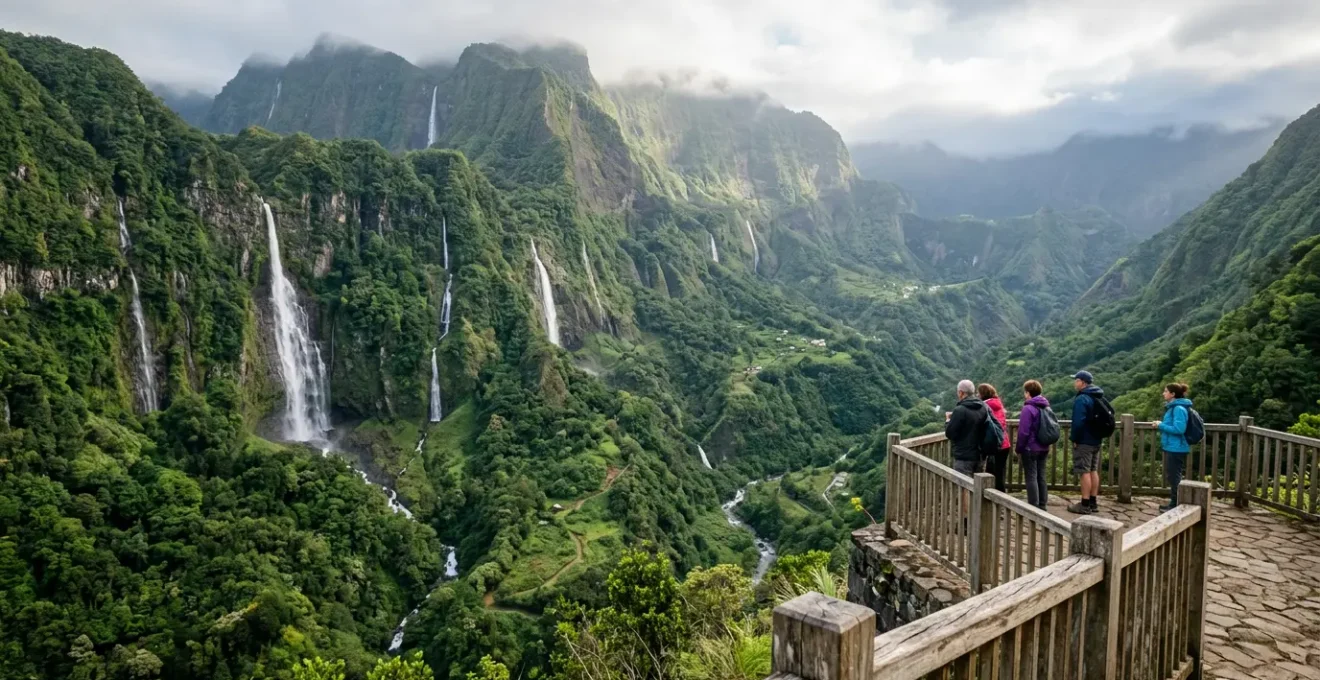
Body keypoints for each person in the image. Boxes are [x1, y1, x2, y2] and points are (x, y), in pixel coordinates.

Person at [1068, 371, 1106, 514]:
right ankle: (1093, 502)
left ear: (1082, 382)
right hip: (1096, 439)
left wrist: (1075, 439)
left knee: (1084, 472)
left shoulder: (1082, 398)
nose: (1074, 383)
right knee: (1093, 470)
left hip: (1084, 440)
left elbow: (1078, 423)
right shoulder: (1097, 396)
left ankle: (1084, 504)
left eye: (1076, 380)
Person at [1156, 383, 1194, 512]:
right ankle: (1174, 502)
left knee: (1174, 476)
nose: (1163, 393)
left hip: (1176, 447)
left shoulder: (1178, 408)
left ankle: (1175, 504)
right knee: (1172, 475)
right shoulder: (1175, 407)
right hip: (1173, 446)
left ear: (1172, 394)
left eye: (1166, 391)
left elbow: (1179, 429)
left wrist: (1160, 425)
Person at [1015, 380, 1052, 510]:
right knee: (1041, 475)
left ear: (1028, 393)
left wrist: (1019, 448)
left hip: (1030, 447)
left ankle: (1033, 507)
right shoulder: (1046, 406)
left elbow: (1023, 432)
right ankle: (1043, 504)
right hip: (1044, 446)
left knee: (1031, 476)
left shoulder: (1028, 408)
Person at [945, 379, 988, 477]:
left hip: (964, 457)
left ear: (961, 393)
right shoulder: (984, 407)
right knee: (978, 487)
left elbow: (950, 433)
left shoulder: (960, 410)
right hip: (980, 455)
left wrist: (948, 420)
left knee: (963, 488)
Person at [978, 383, 1011, 492]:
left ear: (982, 394)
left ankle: (993, 500)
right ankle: (1001, 498)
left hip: (994, 443)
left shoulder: (984, 407)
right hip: (1004, 443)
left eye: (979, 393)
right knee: (1000, 473)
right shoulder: (998, 404)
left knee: (991, 474)